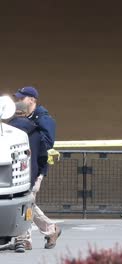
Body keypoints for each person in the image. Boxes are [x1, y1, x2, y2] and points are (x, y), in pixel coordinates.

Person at [14, 86, 61, 249]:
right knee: (27, 202)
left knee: (26, 201)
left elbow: (47, 143)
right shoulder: (25, 118)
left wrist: (30, 134)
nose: (18, 101)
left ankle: (25, 239)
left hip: (36, 167)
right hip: (24, 166)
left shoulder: (43, 118)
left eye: (21, 99)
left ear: (31, 100)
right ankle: (50, 229)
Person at [8, 102, 41, 252]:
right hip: (29, 173)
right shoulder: (35, 129)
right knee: (25, 206)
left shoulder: (8, 130)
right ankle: (22, 240)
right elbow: (43, 154)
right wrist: (41, 172)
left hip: (10, 174)